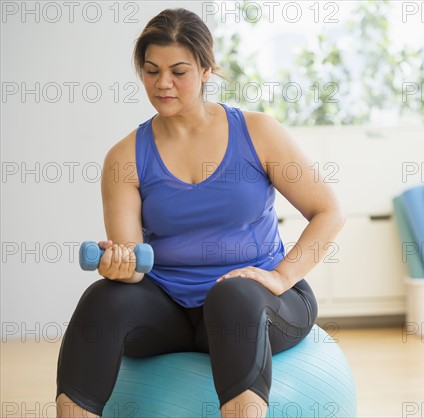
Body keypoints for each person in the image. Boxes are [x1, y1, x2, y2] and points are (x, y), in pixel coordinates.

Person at [55, 7, 345, 418]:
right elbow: (136, 264)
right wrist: (122, 266)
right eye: (151, 70)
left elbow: (328, 211)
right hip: (172, 311)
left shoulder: (258, 133)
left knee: (232, 294)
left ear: (206, 69)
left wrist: (281, 277)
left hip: (258, 304)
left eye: (179, 71)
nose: (163, 83)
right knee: (104, 298)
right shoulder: (124, 158)